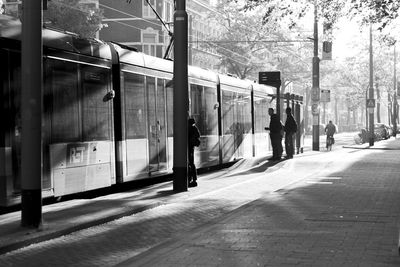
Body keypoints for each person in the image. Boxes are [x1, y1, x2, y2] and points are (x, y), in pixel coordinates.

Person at [188, 118, 201, 187]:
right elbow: (198, 135)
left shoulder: (189, 128)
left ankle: (190, 179)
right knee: (191, 163)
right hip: (191, 147)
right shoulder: (194, 128)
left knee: (190, 163)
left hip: (188, 147)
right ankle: (194, 180)